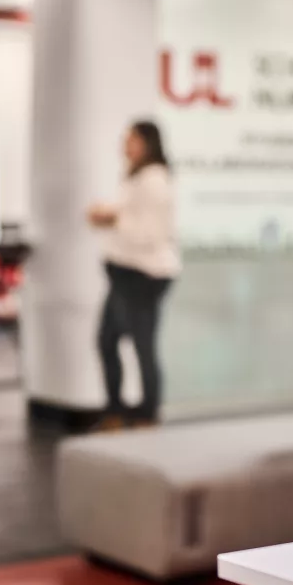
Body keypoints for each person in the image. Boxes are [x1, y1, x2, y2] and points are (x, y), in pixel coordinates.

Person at [88, 120, 180, 429]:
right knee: (107, 340)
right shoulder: (135, 177)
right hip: (125, 273)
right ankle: (117, 409)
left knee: (143, 344)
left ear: (147, 143)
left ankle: (147, 413)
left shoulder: (154, 180)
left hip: (143, 276)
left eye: (131, 139)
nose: (124, 145)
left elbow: (151, 233)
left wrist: (112, 219)